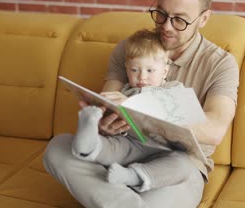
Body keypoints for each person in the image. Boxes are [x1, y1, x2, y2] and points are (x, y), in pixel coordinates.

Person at [44, 0, 239, 208]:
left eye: (179, 20)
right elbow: (108, 98)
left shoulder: (220, 64)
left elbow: (214, 130)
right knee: (58, 148)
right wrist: (104, 121)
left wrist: (150, 112)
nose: (166, 26)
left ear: (204, 18)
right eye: (160, 13)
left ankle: (117, 198)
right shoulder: (131, 48)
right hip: (123, 152)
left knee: (181, 169)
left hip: (175, 168)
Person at [73, 28, 198, 193]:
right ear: (126, 69)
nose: (142, 77)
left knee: (184, 165)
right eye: (134, 70)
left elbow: (184, 115)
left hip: (162, 150)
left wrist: (133, 104)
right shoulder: (123, 92)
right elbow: (115, 125)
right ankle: (88, 141)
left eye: (150, 70)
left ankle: (131, 176)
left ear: (165, 71)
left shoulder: (174, 89)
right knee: (111, 148)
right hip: (129, 144)